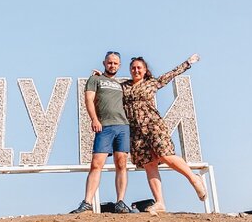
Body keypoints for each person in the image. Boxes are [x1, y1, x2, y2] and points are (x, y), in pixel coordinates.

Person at [122, 54, 207, 213]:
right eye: (133, 68)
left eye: (139, 67)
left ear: (145, 70)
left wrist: (188, 63)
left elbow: (170, 75)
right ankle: (160, 202)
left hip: (153, 125)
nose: (136, 70)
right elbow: (108, 88)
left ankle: (193, 178)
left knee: (165, 155)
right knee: (149, 164)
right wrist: (100, 77)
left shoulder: (151, 83)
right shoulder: (124, 86)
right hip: (136, 131)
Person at [70, 51, 133, 213]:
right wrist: (94, 119)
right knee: (96, 164)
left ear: (119, 65)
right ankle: (87, 202)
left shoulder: (122, 84)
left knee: (122, 164)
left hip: (122, 126)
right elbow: (88, 99)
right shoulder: (95, 79)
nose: (112, 65)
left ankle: (120, 202)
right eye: (110, 62)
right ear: (104, 63)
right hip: (104, 126)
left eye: (116, 63)